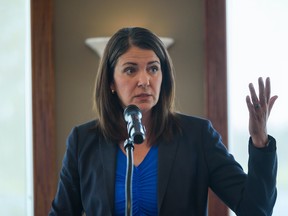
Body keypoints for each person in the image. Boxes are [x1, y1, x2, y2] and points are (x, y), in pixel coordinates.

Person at [49, 27, 278, 216]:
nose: (144, 80)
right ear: (111, 81)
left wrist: (260, 142)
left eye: (153, 69)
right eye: (130, 70)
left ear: (163, 76)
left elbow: (256, 210)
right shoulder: (83, 141)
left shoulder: (197, 136)